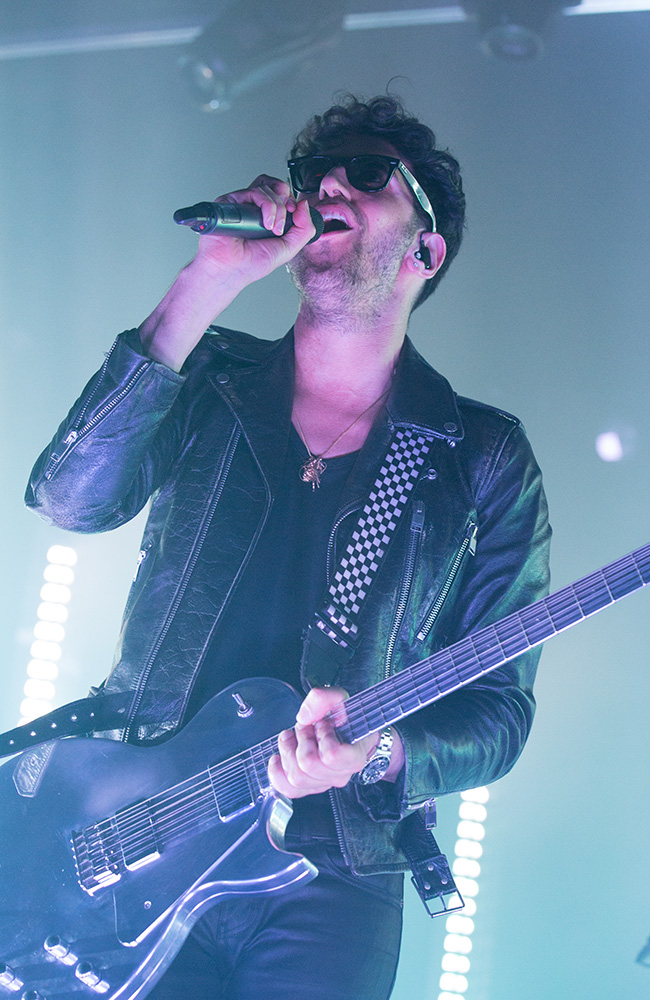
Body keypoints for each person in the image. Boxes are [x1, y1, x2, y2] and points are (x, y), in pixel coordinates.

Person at [26, 95, 551, 999]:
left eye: (370, 173)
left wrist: (380, 751)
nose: (329, 184)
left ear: (426, 249)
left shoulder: (483, 456)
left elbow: (500, 715)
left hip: (335, 869)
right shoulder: (212, 379)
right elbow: (70, 500)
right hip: (141, 827)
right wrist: (208, 280)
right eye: (317, 175)